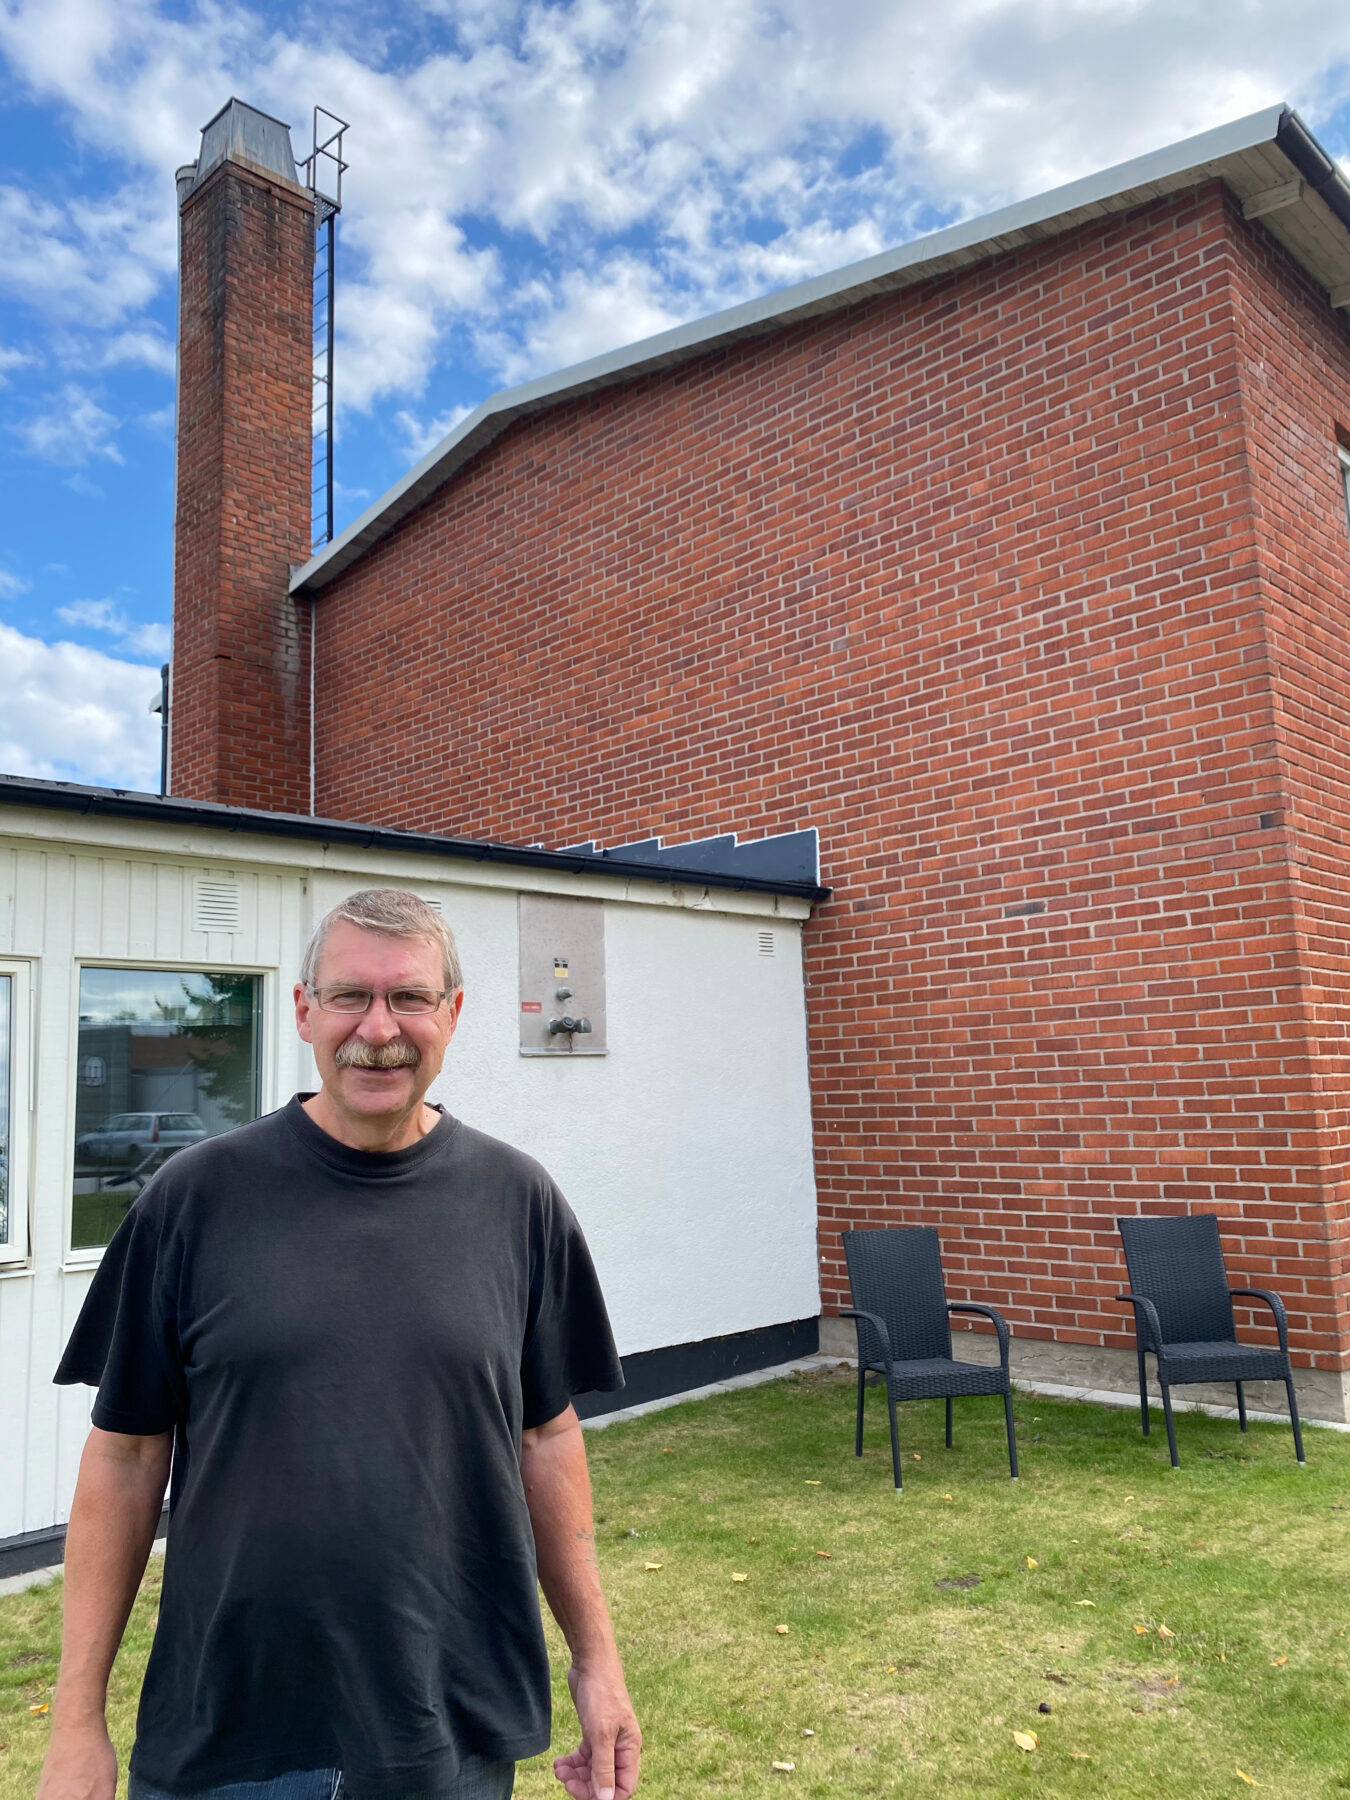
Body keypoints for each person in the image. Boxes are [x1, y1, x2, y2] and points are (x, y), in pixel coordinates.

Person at [38, 888, 641, 1800]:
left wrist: (598, 1662)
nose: (379, 1029)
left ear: (454, 1015)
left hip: (449, 1728)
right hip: (231, 1733)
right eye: (351, 995)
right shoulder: (193, 1200)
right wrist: (78, 1721)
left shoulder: (518, 1202)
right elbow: (124, 1456)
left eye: (410, 998)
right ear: (304, 1010)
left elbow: (546, 1436)